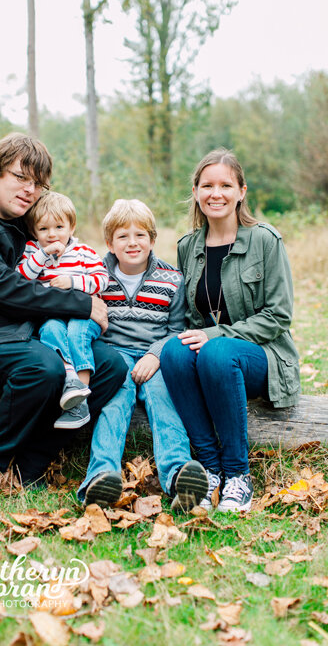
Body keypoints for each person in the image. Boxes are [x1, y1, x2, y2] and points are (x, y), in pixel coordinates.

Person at [0, 132, 128, 491]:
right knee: (43, 368)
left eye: (37, 183)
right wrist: (81, 303)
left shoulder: (26, 221)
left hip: (28, 329)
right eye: (21, 177)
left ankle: (32, 464)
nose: (29, 190)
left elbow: (63, 254)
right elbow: (2, 289)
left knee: (111, 366)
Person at [159, 148, 300, 513]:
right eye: (207, 185)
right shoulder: (188, 247)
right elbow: (189, 319)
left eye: (225, 185)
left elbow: (279, 315)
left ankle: (239, 474)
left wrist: (215, 335)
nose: (215, 193)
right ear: (196, 192)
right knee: (174, 350)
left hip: (261, 356)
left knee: (217, 351)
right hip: (208, 357)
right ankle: (210, 470)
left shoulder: (265, 240)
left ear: (242, 191)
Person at [77, 199, 208, 511]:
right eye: (122, 236)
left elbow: (177, 329)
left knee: (165, 402)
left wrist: (155, 356)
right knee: (114, 403)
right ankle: (100, 478)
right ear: (109, 242)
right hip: (114, 356)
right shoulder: (96, 277)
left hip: (155, 357)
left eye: (140, 236)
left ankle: (179, 476)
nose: (132, 243)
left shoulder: (171, 279)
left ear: (152, 240)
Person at [17, 191, 109, 429]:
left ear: (71, 227)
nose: (52, 234)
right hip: (53, 315)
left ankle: (80, 399)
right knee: (50, 331)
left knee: (77, 335)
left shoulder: (84, 253)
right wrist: (41, 256)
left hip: (85, 317)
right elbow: (20, 278)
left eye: (59, 226)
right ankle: (70, 379)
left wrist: (73, 282)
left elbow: (102, 280)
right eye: (44, 229)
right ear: (34, 231)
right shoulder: (32, 251)